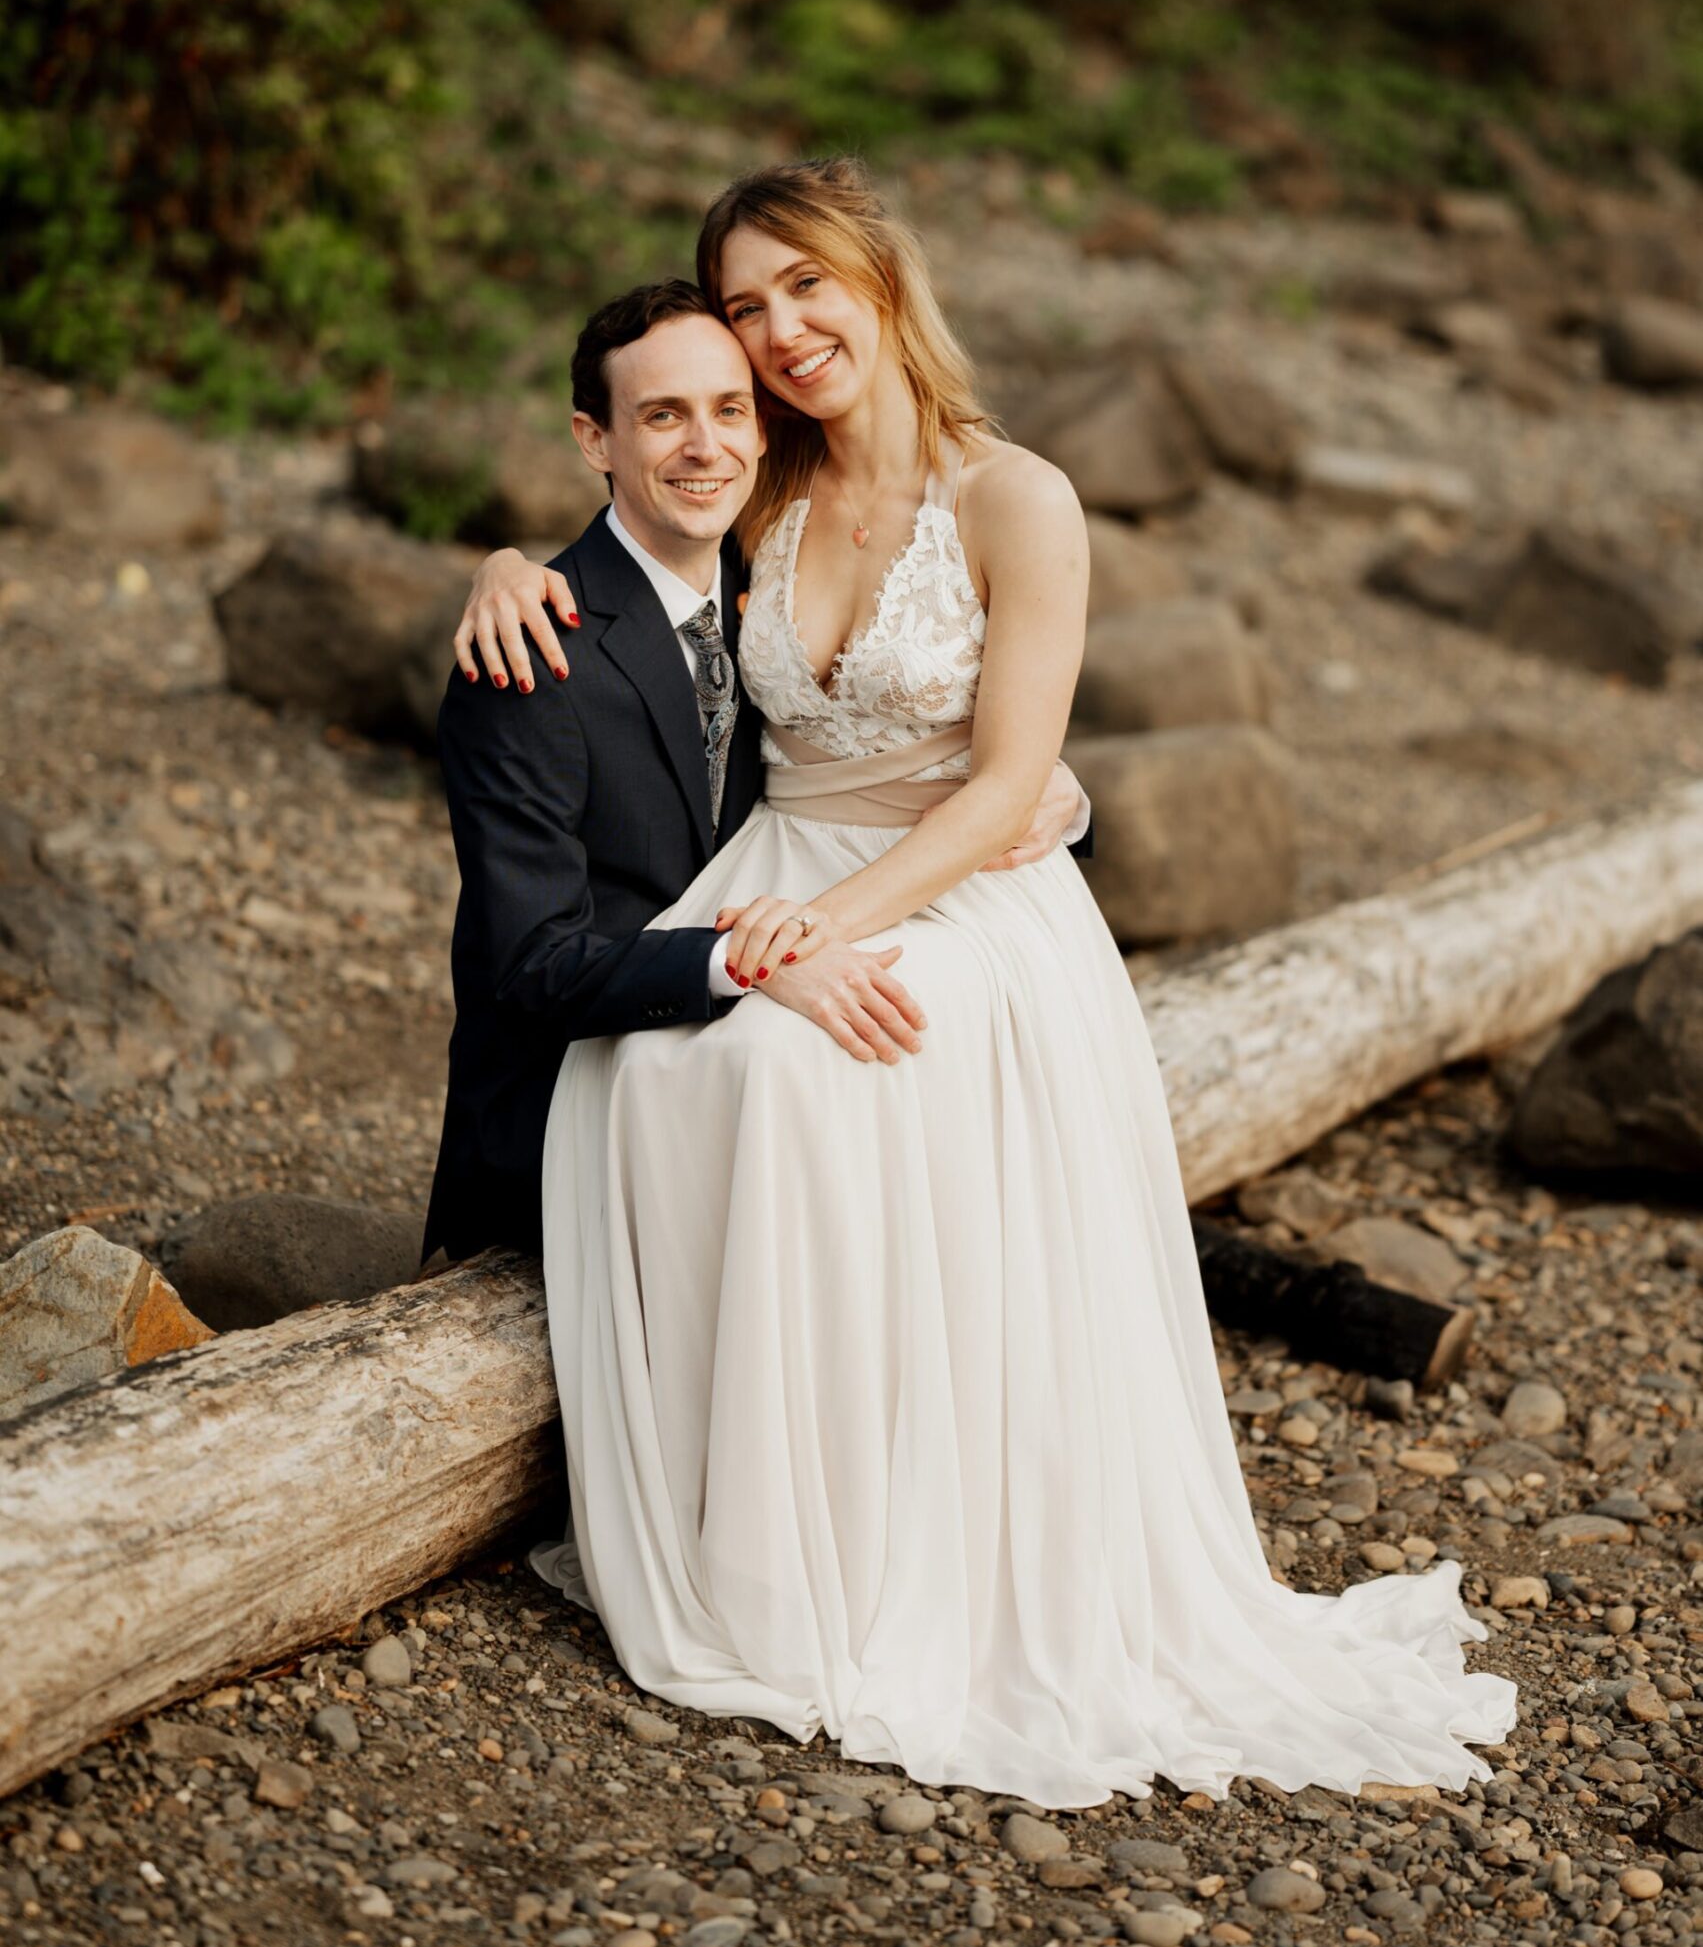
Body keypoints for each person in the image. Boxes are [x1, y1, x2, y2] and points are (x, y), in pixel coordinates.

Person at [453, 157, 1517, 1808]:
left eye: (804, 286)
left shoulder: (1017, 499)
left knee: (813, 1077)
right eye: (747, 307)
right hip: (778, 882)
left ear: (879, 282)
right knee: (665, 1076)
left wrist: (823, 935)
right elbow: (631, 532)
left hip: (955, 897)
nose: (781, 331)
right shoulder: (763, 482)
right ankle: (752, 1545)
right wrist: (506, 567)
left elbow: (1011, 782)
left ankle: (891, 1563)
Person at [425, 278, 1085, 1269]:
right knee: (811, 1063)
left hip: (733, 1063)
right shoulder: (527, 658)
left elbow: (893, 738)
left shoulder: (771, 583)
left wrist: (1057, 792)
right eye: (661, 416)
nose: (705, 447)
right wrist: (752, 963)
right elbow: (529, 968)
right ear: (593, 439)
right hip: (573, 1105)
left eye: (729, 410)